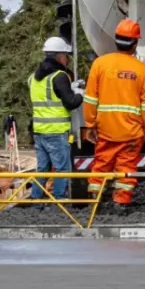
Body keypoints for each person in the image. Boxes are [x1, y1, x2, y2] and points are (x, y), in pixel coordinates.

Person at [82, 19, 145, 207]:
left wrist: (90, 125)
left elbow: (90, 99)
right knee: (126, 168)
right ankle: (120, 203)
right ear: (135, 43)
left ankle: (94, 201)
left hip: (105, 128)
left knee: (101, 164)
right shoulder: (142, 70)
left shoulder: (100, 64)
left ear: (115, 40)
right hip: (131, 131)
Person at [29, 36, 84, 204]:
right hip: (56, 132)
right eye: (66, 56)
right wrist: (80, 94)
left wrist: (70, 87)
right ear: (60, 56)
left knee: (43, 169)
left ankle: (36, 201)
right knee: (62, 169)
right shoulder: (60, 76)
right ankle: (59, 202)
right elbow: (70, 102)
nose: (67, 60)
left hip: (39, 132)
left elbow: (51, 95)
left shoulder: (33, 77)